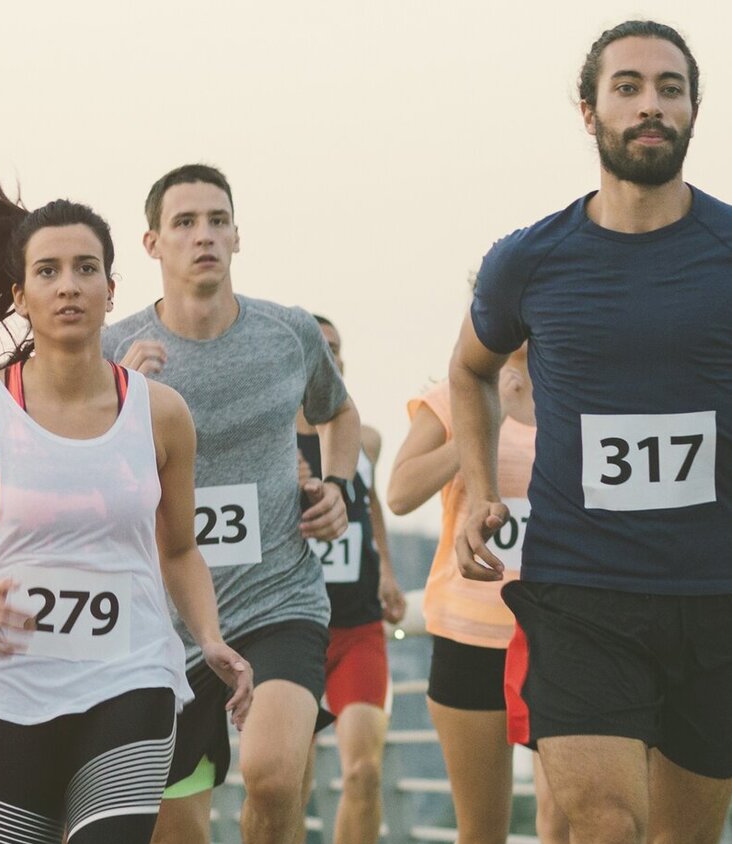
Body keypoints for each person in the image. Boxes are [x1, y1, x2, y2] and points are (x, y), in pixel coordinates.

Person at [0, 165, 253, 844]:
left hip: (130, 679)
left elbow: (180, 549)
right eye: (48, 271)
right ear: (21, 296)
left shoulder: (162, 415)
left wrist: (211, 638)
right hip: (4, 693)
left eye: (86, 268)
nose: (69, 284)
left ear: (111, 288)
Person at [451, 21, 732, 844]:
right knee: (604, 821)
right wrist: (476, 491)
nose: (651, 106)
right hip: (581, 593)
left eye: (670, 89)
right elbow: (469, 370)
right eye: (629, 87)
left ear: (692, 111)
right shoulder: (531, 259)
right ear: (589, 111)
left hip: (714, 594)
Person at [101, 164, 361, 844]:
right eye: (184, 223)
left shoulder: (288, 333)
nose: (203, 236)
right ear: (152, 243)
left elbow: (338, 413)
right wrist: (121, 399)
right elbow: (68, 466)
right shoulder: (110, 352)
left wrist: (337, 486)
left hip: (279, 600)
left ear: (238, 236)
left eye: (217, 220)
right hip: (164, 626)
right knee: (178, 832)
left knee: (274, 775)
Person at [387, 343, 567, 844]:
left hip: (563, 634)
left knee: (568, 819)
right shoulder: (454, 394)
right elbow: (401, 493)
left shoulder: (577, 386)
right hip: (473, 636)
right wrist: (483, 423)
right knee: (483, 831)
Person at [294, 314, 405, 844]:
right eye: (318, 348)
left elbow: (370, 504)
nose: (329, 357)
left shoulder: (367, 439)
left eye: (336, 349)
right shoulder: (271, 444)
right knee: (290, 780)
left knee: (363, 772)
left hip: (359, 626)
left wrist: (385, 565)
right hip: (292, 629)